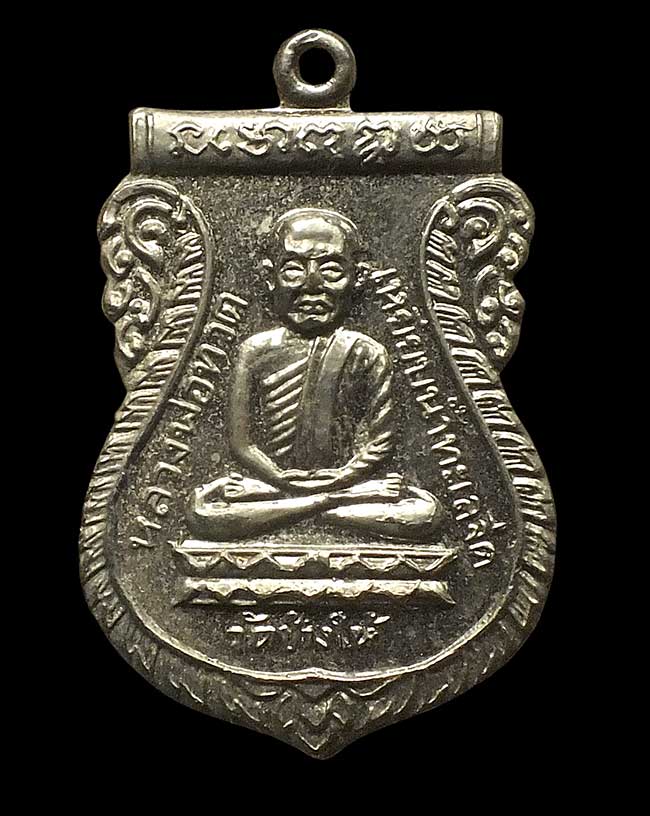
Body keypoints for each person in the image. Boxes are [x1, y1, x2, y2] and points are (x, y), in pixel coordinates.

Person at [187, 208, 441, 542]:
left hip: (338, 486)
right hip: (278, 485)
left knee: (425, 512)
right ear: (269, 276)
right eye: (293, 269)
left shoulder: (367, 351)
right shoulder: (255, 350)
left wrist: (338, 479)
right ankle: (328, 506)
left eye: (332, 269)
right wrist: (282, 479)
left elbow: (380, 443)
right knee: (203, 510)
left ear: (358, 278)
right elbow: (242, 444)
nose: (312, 285)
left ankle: (304, 508)